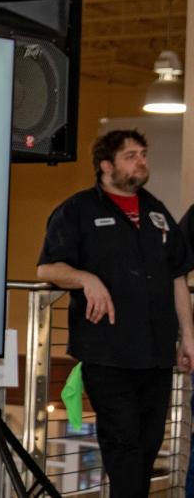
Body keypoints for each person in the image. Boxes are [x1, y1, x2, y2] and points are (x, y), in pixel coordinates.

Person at [37, 129, 194, 497]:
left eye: (143, 154)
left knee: (149, 444)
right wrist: (86, 278)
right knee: (123, 444)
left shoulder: (157, 211)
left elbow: (178, 276)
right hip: (107, 354)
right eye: (130, 156)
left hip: (156, 355)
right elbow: (47, 269)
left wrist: (188, 337)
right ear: (106, 165)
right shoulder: (78, 210)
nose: (141, 161)